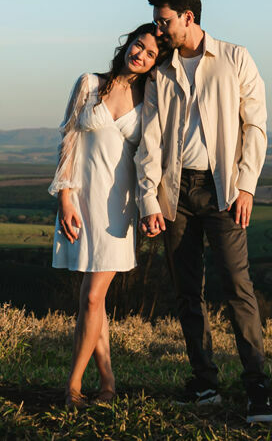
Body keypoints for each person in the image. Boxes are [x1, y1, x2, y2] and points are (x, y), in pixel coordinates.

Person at [137, 0, 272, 425]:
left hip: (224, 192)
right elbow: (151, 140)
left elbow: (256, 125)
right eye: (158, 22)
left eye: (165, 21)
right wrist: (149, 200)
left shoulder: (236, 59)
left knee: (238, 288)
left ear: (188, 18)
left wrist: (247, 186)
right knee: (186, 293)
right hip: (174, 194)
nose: (159, 29)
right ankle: (205, 382)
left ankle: (258, 388)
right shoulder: (162, 70)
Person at [49, 22, 164, 406]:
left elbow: (150, 157)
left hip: (119, 207)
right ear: (127, 43)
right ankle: (109, 385)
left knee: (94, 297)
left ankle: (73, 386)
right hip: (82, 201)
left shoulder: (149, 101)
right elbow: (68, 140)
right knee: (90, 299)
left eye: (150, 54)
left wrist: (151, 207)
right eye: (138, 45)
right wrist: (64, 196)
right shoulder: (89, 84)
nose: (141, 55)